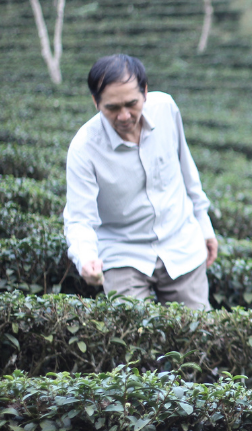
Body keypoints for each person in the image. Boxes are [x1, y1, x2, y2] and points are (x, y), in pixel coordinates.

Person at [63, 54, 217, 310]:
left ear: (145, 92)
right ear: (95, 102)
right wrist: (86, 258)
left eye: (131, 104)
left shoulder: (166, 108)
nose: (124, 116)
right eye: (112, 107)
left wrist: (204, 224)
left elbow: (186, 169)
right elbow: (79, 218)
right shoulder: (84, 148)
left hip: (181, 243)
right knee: (136, 340)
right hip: (123, 253)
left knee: (199, 337)